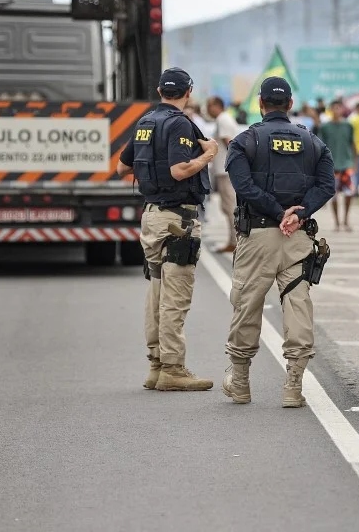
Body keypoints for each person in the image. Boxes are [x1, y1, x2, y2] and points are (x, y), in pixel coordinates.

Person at [222, 76, 335, 408]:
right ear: (289, 104)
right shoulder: (313, 142)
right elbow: (327, 186)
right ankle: (293, 386)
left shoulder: (245, 141)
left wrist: (275, 211)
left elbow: (242, 185)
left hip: (257, 237)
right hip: (298, 238)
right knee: (297, 305)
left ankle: (240, 382)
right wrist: (297, 215)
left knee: (247, 305)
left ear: (260, 104)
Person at [116, 67, 218, 392]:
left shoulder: (145, 122)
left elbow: (121, 167)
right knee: (175, 295)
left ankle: (156, 365)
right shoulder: (179, 124)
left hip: (151, 216)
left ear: (160, 91)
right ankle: (173, 368)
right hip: (178, 220)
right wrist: (208, 156)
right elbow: (178, 170)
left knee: (156, 291)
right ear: (189, 92)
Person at [206, 96, 240, 253]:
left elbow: (230, 143)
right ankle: (232, 241)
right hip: (223, 171)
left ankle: (236, 242)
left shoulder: (223, 119)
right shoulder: (224, 119)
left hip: (225, 172)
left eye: (209, 106)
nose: (207, 110)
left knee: (230, 207)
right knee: (226, 207)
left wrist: (233, 166)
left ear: (216, 106)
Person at [317, 99, 355, 231]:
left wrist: (354, 163)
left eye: (339, 108)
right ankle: (337, 222)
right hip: (332, 166)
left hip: (346, 164)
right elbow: (321, 147)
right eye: (334, 108)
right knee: (333, 195)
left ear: (342, 110)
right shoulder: (325, 127)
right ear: (330, 110)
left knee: (349, 193)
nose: (337, 110)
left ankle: (346, 220)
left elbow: (352, 144)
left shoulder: (348, 126)